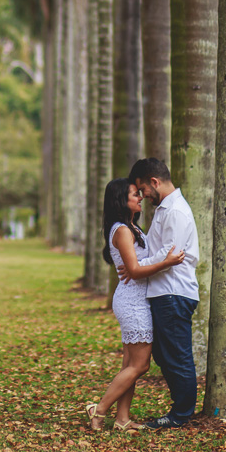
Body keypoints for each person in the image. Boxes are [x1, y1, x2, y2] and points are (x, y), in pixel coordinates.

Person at [86, 178, 185, 431]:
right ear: (122, 200)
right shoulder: (122, 230)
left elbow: (137, 267)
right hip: (133, 301)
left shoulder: (131, 228)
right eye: (134, 194)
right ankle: (98, 410)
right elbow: (135, 270)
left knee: (129, 365)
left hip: (136, 298)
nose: (140, 197)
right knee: (140, 365)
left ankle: (122, 419)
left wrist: (148, 265)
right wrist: (167, 262)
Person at [116, 157, 200, 430]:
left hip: (174, 291)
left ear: (155, 182)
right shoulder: (165, 209)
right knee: (165, 354)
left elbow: (170, 254)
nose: (142, 196)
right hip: (163, 291)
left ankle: (182, 413)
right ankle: (180, 407)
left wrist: (137, 268)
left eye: (142, 190)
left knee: (176, 354)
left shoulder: (174, 211)